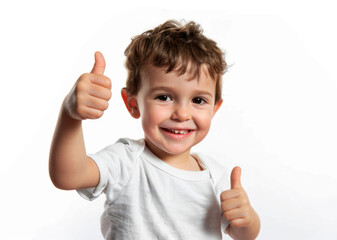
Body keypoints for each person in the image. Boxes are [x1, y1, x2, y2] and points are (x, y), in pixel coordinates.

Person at [49, 20, 260, 240]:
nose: (182, 114)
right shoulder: (126, 161)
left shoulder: (214, 175)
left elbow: (243, 235)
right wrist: (70, 116)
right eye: (164, 97)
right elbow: (67, 176)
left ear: (214, 109)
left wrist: (247, 219)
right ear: (133, 103)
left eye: (198, 100)